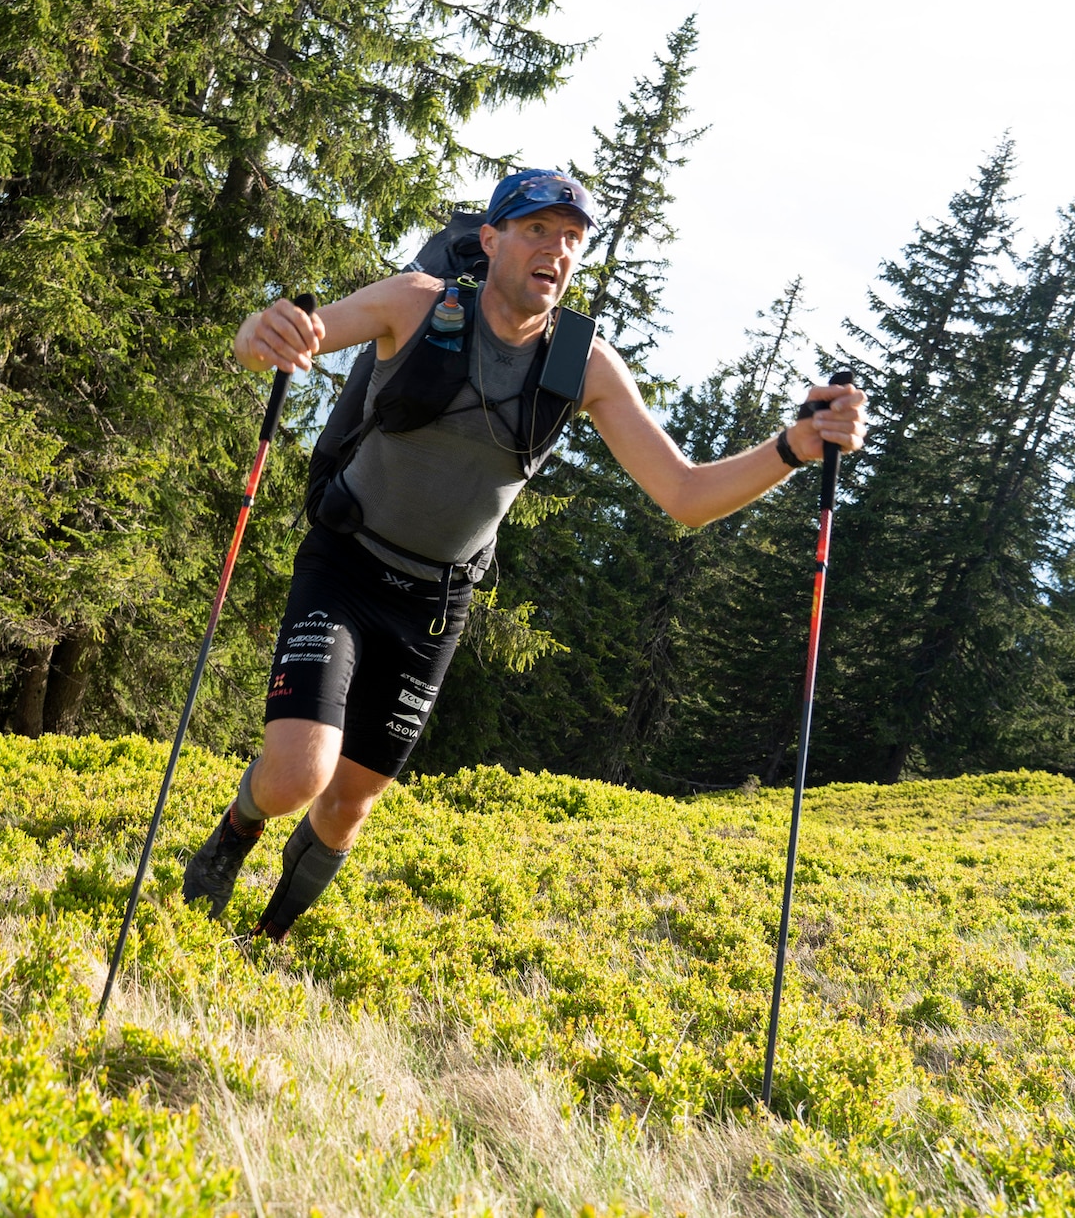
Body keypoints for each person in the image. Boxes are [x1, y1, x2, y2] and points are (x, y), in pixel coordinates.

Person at [183, 168, 869, 939]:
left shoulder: (582, 364)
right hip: (344, 564)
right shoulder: (414, 301)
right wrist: (261, 334)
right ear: (490, 239)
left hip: (434, 607)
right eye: (538, 229)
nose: (557, 248)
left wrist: (795, 446)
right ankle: (235, 833)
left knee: (348, 804)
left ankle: (262, 941)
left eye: (573, 238)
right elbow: (287, 341)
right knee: (296, 774)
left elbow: (684, 494)